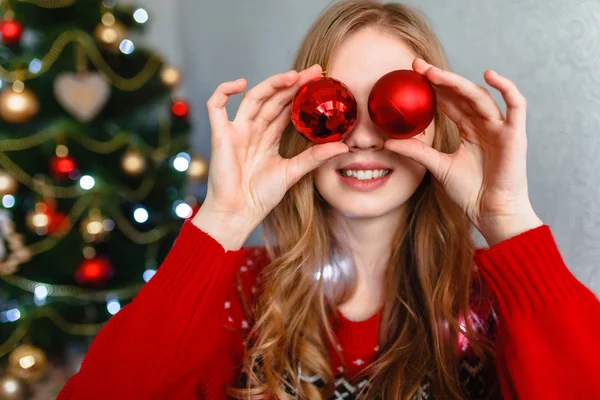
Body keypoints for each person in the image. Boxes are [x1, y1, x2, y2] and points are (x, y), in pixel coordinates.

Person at [57, 1, 600, 399]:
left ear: (438, 125)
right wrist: (222, 220)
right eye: (334, 107)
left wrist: (510, 223)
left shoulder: (499, 300)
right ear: (298, 120)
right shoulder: (239, 295)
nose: (363, 137)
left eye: (395, 108)